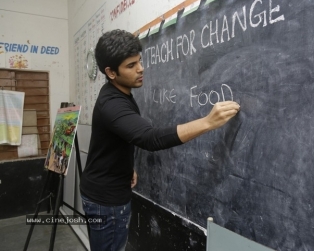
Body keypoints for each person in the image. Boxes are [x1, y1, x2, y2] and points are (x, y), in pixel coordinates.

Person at [80, 29, 240, 251]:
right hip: (106, 203)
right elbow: (150, 138)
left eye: (140, 61)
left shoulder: (117, 93)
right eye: (131, 65)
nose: (141, 69)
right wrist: (208, 122)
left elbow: (115, 140)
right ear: (111, 72)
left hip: (106, 190)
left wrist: (126, 167)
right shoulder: (113, 104)